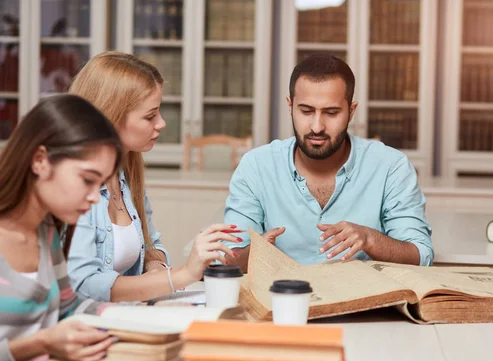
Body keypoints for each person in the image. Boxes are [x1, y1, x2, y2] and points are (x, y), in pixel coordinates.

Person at [224, 53, 433, 270]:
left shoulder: (391, 166)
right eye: (306, 111)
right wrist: (254, 252)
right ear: (290, 106)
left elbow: (421, 255)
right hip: (279, 299)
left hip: (363, 301)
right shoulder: (256, 167)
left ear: (351, 112)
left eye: (331, 113)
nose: (317, 126)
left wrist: (370, 239)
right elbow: (229, 259)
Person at [67, 51, 239, 302]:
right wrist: (180, 275)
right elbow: (84, 284)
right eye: (150, 116)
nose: (161, 123)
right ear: (109, 117)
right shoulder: (72, 184)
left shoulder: (127, 173)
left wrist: (156, 268)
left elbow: (151, 245)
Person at [0, 95, 122, 361]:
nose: (95, 197)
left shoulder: (47, 231)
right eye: (87, 180)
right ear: (40, 160)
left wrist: (152, 315)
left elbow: (68, 307)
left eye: (101, 185)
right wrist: (40, 344)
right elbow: (44, 338)